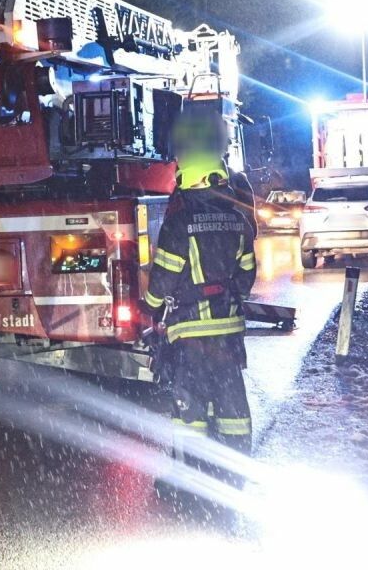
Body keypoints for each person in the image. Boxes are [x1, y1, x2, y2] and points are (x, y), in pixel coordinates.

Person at [144, 140, 257, 484]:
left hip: (190, 332)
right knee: (231, 402)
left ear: (187, 180)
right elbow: (247, 276)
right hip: (228, 333)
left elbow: (162, 280)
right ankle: (235, 471)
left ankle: (191, 477)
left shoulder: (179, 225)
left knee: (190, 407)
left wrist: (148, 308)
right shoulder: (238, 221)